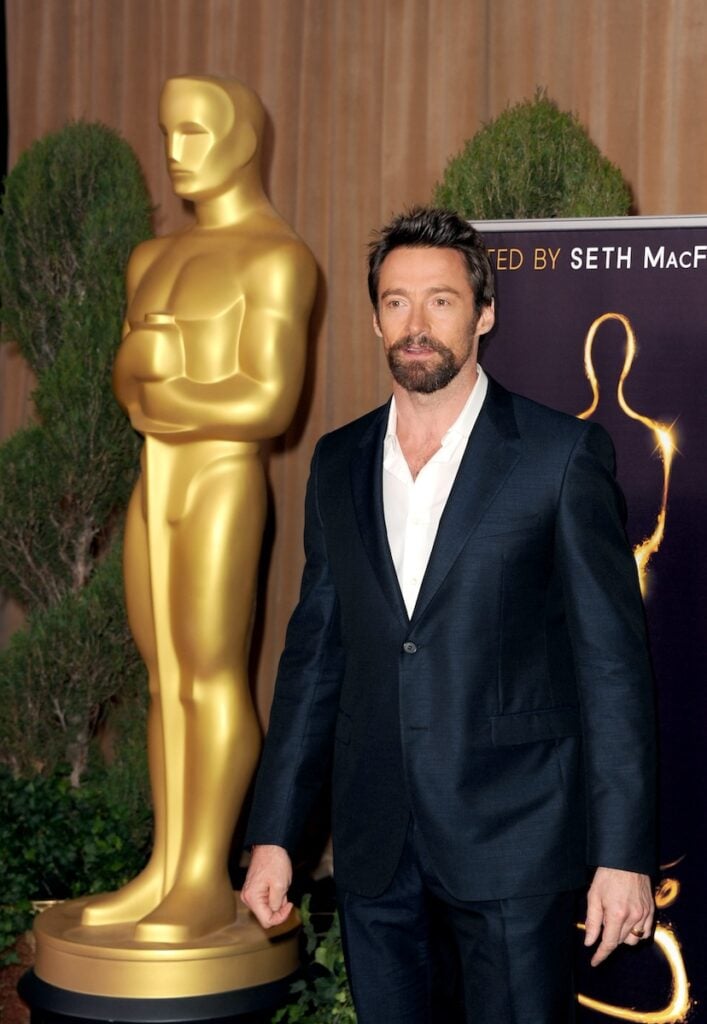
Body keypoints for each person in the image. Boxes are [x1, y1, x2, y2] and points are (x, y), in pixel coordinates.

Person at [242, 207, 656, 1022]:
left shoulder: (559, 455)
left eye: (440, 300)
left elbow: (611, 668)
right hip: (373, 839)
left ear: (484, 313)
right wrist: (275, 835)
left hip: (514, 833)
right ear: (373, 319)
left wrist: (620, 855)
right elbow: (314, 660)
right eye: (396, 302)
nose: (416, 323)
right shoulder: (337, 461)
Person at [81, 75, 316, 943]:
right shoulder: (152, 258)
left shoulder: (276, 258)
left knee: (211, 673)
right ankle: (164, 868)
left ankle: (200, 877)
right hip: (160, 481)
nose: (175, 150)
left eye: (193, 131)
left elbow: (268, 403)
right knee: (162, 680)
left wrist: (164, 379)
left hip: (219, 480)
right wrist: (158, 378)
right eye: (167, 131)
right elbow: (125, 389)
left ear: (243, 139)